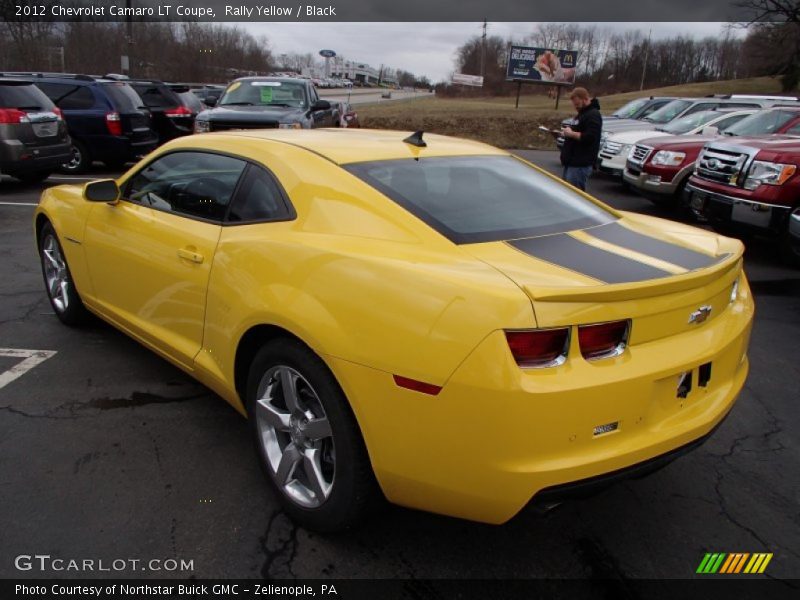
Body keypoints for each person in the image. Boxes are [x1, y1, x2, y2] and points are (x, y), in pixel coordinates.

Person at [560, 87, 602, 191]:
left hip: (580, 164)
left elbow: (590, 137)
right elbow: (577, 131)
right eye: (574, 105)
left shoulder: (593, 115)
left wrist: (571, 134)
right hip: (571, 162)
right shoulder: (582, 114)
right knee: (565, 193)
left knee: (573, 195)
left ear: (585, 99)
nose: (576, 107)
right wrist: (566, 133)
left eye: (577, 104)